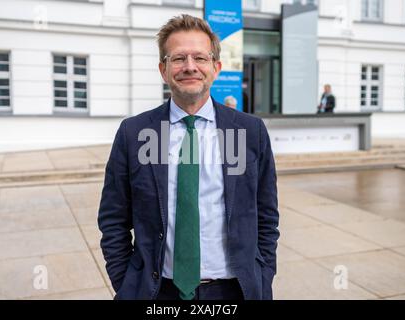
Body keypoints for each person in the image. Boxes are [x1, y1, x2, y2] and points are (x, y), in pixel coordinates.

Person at [98, 14, 279, 300]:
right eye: (179, 58)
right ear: (164, 69)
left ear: (216, 67)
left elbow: (266, 215)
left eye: (200, 58)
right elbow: (113, 218)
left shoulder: (248, 131)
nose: (190, 67)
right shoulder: (136, 133)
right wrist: (126, 284)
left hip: (235, 291)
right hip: (158, 292)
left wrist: (263, 275)